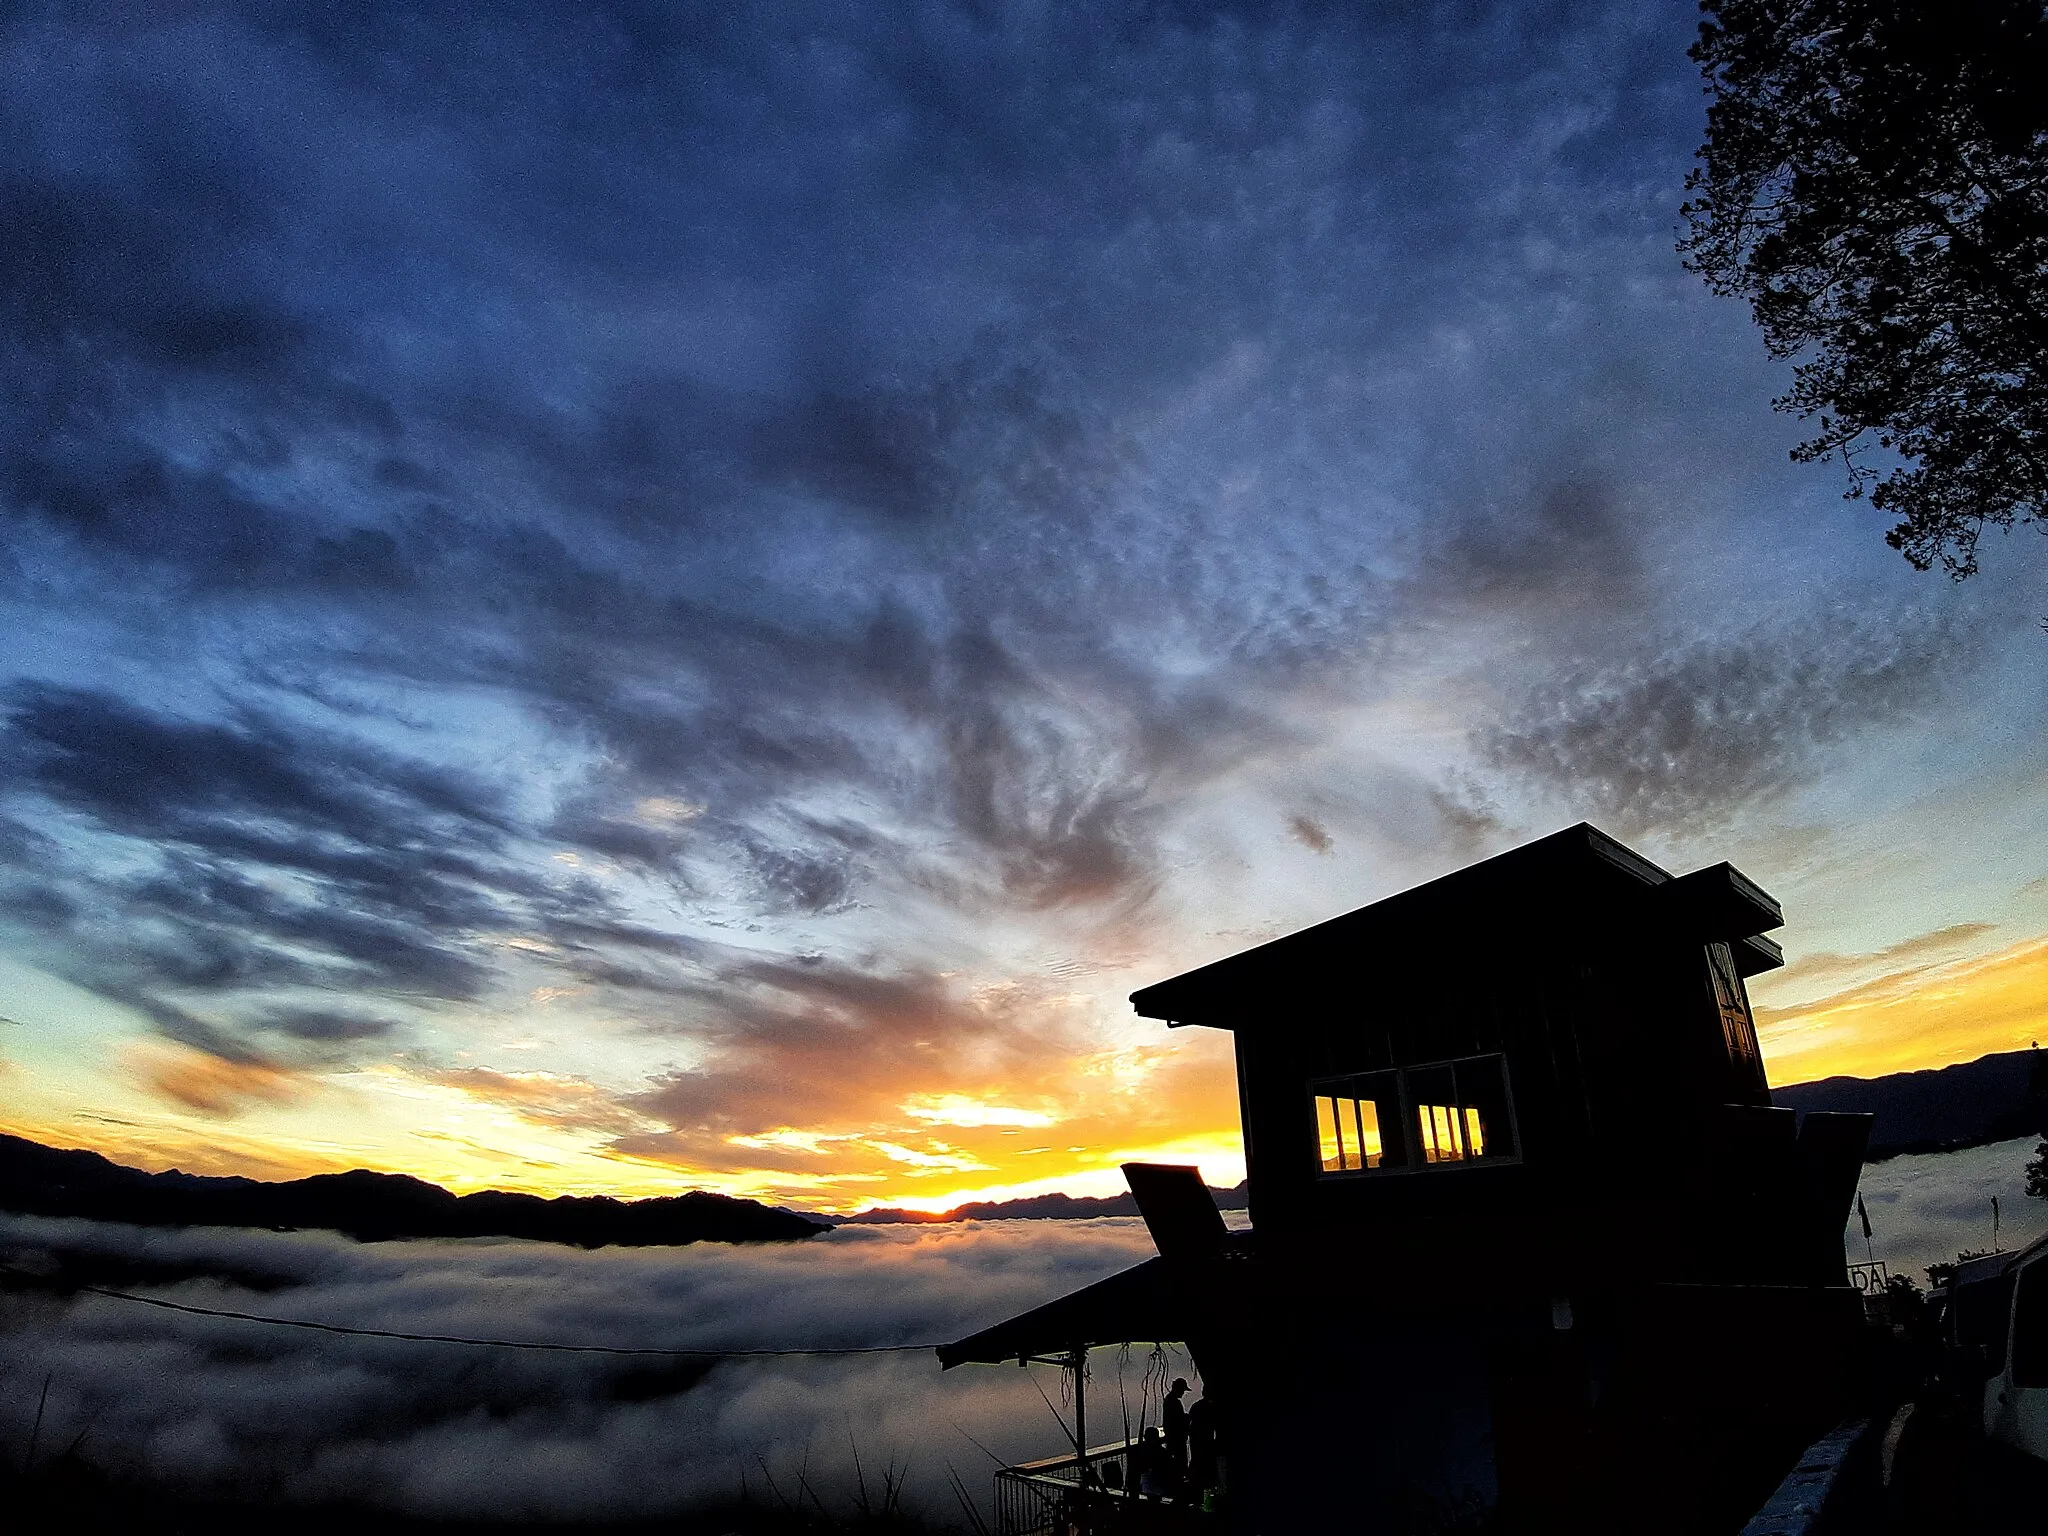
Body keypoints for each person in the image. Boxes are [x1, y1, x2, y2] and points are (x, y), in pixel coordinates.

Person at [1162, 1376, 1190, 1485]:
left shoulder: (1169, 1400)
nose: (1183, 1393)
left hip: (1174, 1439)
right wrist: (1187, 1418)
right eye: (1182, 1390)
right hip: (1176, 1440)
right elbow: (1178, 1421)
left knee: (1178, 1465)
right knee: (1180, 1465)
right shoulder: (1173, 1402)